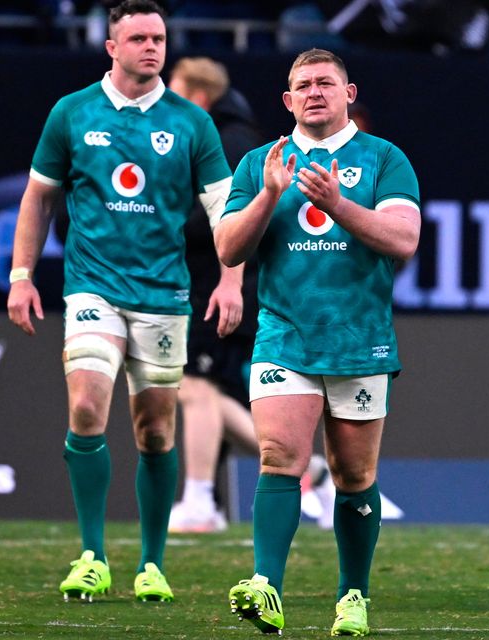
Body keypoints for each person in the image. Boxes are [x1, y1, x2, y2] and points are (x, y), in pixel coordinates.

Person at [6, 0, 234, 604]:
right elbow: (37, 198)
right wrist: (21, 275)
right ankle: (92, 555)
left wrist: (232, 279)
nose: (151, 47)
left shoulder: (192, 123)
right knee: (86, 407)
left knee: (155, 431)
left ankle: (152, 563)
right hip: (92, 286)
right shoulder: (72, 112)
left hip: (164, 293)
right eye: (137, 38)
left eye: (158, 37)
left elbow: (225, 213)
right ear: (112, 46)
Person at [213, 48, 421, 636]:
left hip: (359, 338)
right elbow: (228, 248)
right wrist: (267, 195)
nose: (314, 92)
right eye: (302, 85)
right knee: (279, 455)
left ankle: (352, 594)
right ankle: (266, 586)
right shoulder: (261, 161)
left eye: (325, 82)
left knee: (354, 475)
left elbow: (403, 238)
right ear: (287, 101)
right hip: (285, 334)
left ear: (349, 93)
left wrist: (337, 204)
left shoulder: (385, 159)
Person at [165, 56, 263, 534]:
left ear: (199, 97)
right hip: (210, 284)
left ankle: (201, 500)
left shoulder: (228, 143)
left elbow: (228, 222)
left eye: (175, 91)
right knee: (204, 391)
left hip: (219, 285)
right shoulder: (221, 136)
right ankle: (307, 470)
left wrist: (160, 223)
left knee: (196, 388)